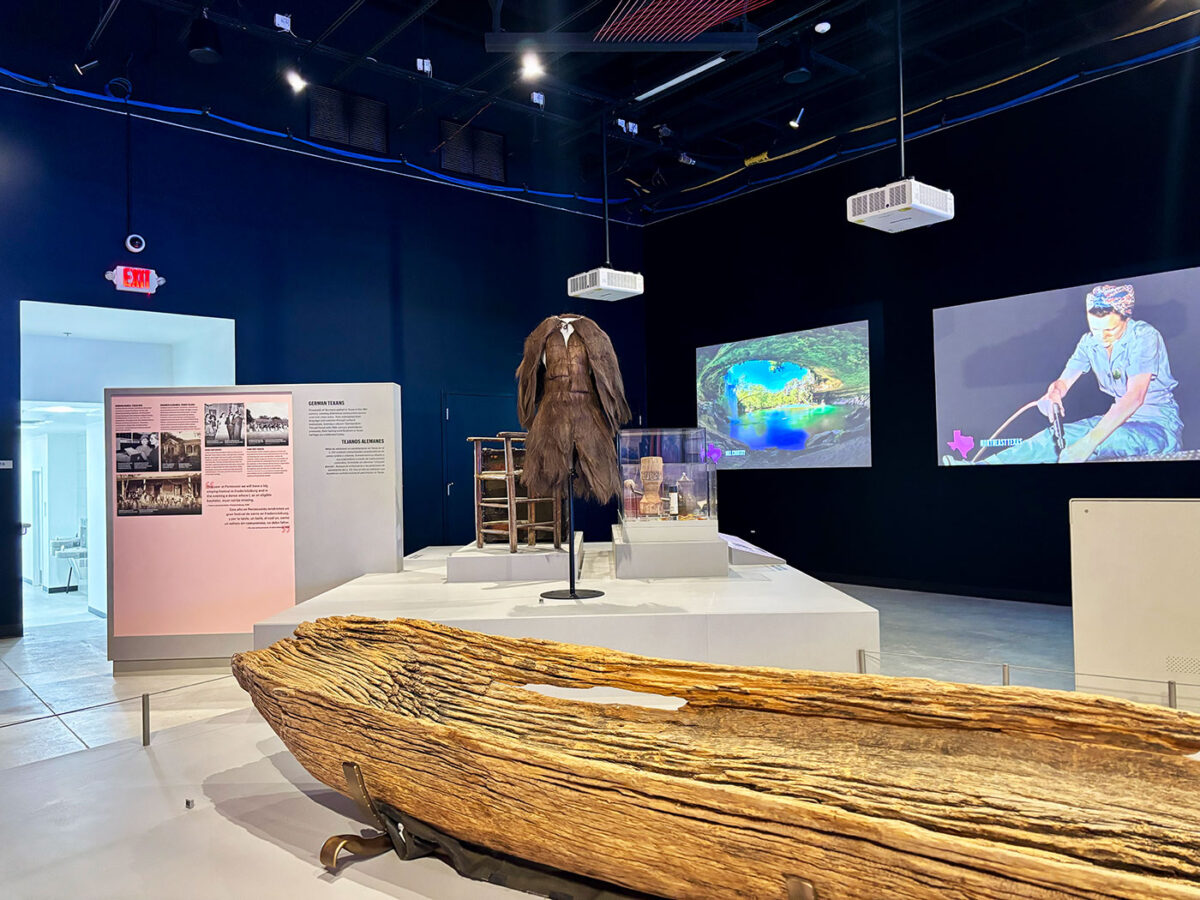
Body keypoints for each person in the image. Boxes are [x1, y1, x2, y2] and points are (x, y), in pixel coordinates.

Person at [981, 283, 1182, 464]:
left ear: (1126, 319)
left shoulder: (1144, 336)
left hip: (1156, 428)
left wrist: (1087, 444)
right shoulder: (1089, 342)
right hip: (1119, 423)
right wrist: (1054, 393)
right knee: (1052, 438)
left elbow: (1134, 397)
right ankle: (982, 467)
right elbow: (1064, 382)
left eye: (1110, 330)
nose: (1102, 337)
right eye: (1095, 329)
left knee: (1106, 441)